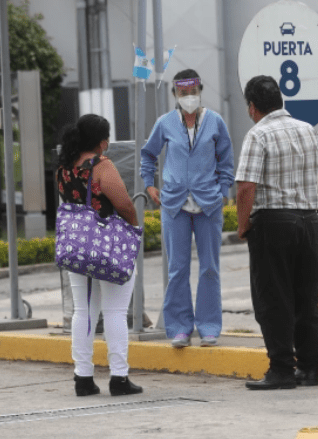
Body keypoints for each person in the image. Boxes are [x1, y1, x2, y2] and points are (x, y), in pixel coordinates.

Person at [235, 75, 318, 390]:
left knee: (273, 298)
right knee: (306, 298)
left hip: (273, 222)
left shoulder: (258, 135)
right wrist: (308, 207)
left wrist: (243, 225)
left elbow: (246, 187)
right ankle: (310, 368)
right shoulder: (308, 129)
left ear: (253, 106)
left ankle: (282, 369)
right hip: (308, 221)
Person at [141, 69, 235, 348]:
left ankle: (209, 327)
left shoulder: (215, 121)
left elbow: (226, 160)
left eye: (193, 91)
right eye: (183, 93)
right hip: (174, 204)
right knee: (177, 269)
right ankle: (180, 328)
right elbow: (148, 154)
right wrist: (149, 185)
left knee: (210, 268)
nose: (189, 97)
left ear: (200, 91)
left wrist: (223, 191)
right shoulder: (165, 123)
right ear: (175, 94)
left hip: (209, 204)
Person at [57, 114, 143, 397]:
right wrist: (134, 228)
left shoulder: (64, 167)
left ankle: (83, 378)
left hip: (77, 248)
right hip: (108, 248)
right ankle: (119, 377)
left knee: (83, 311)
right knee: (115, 311)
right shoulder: (101, 166)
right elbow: (124, 204)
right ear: (102, 142)